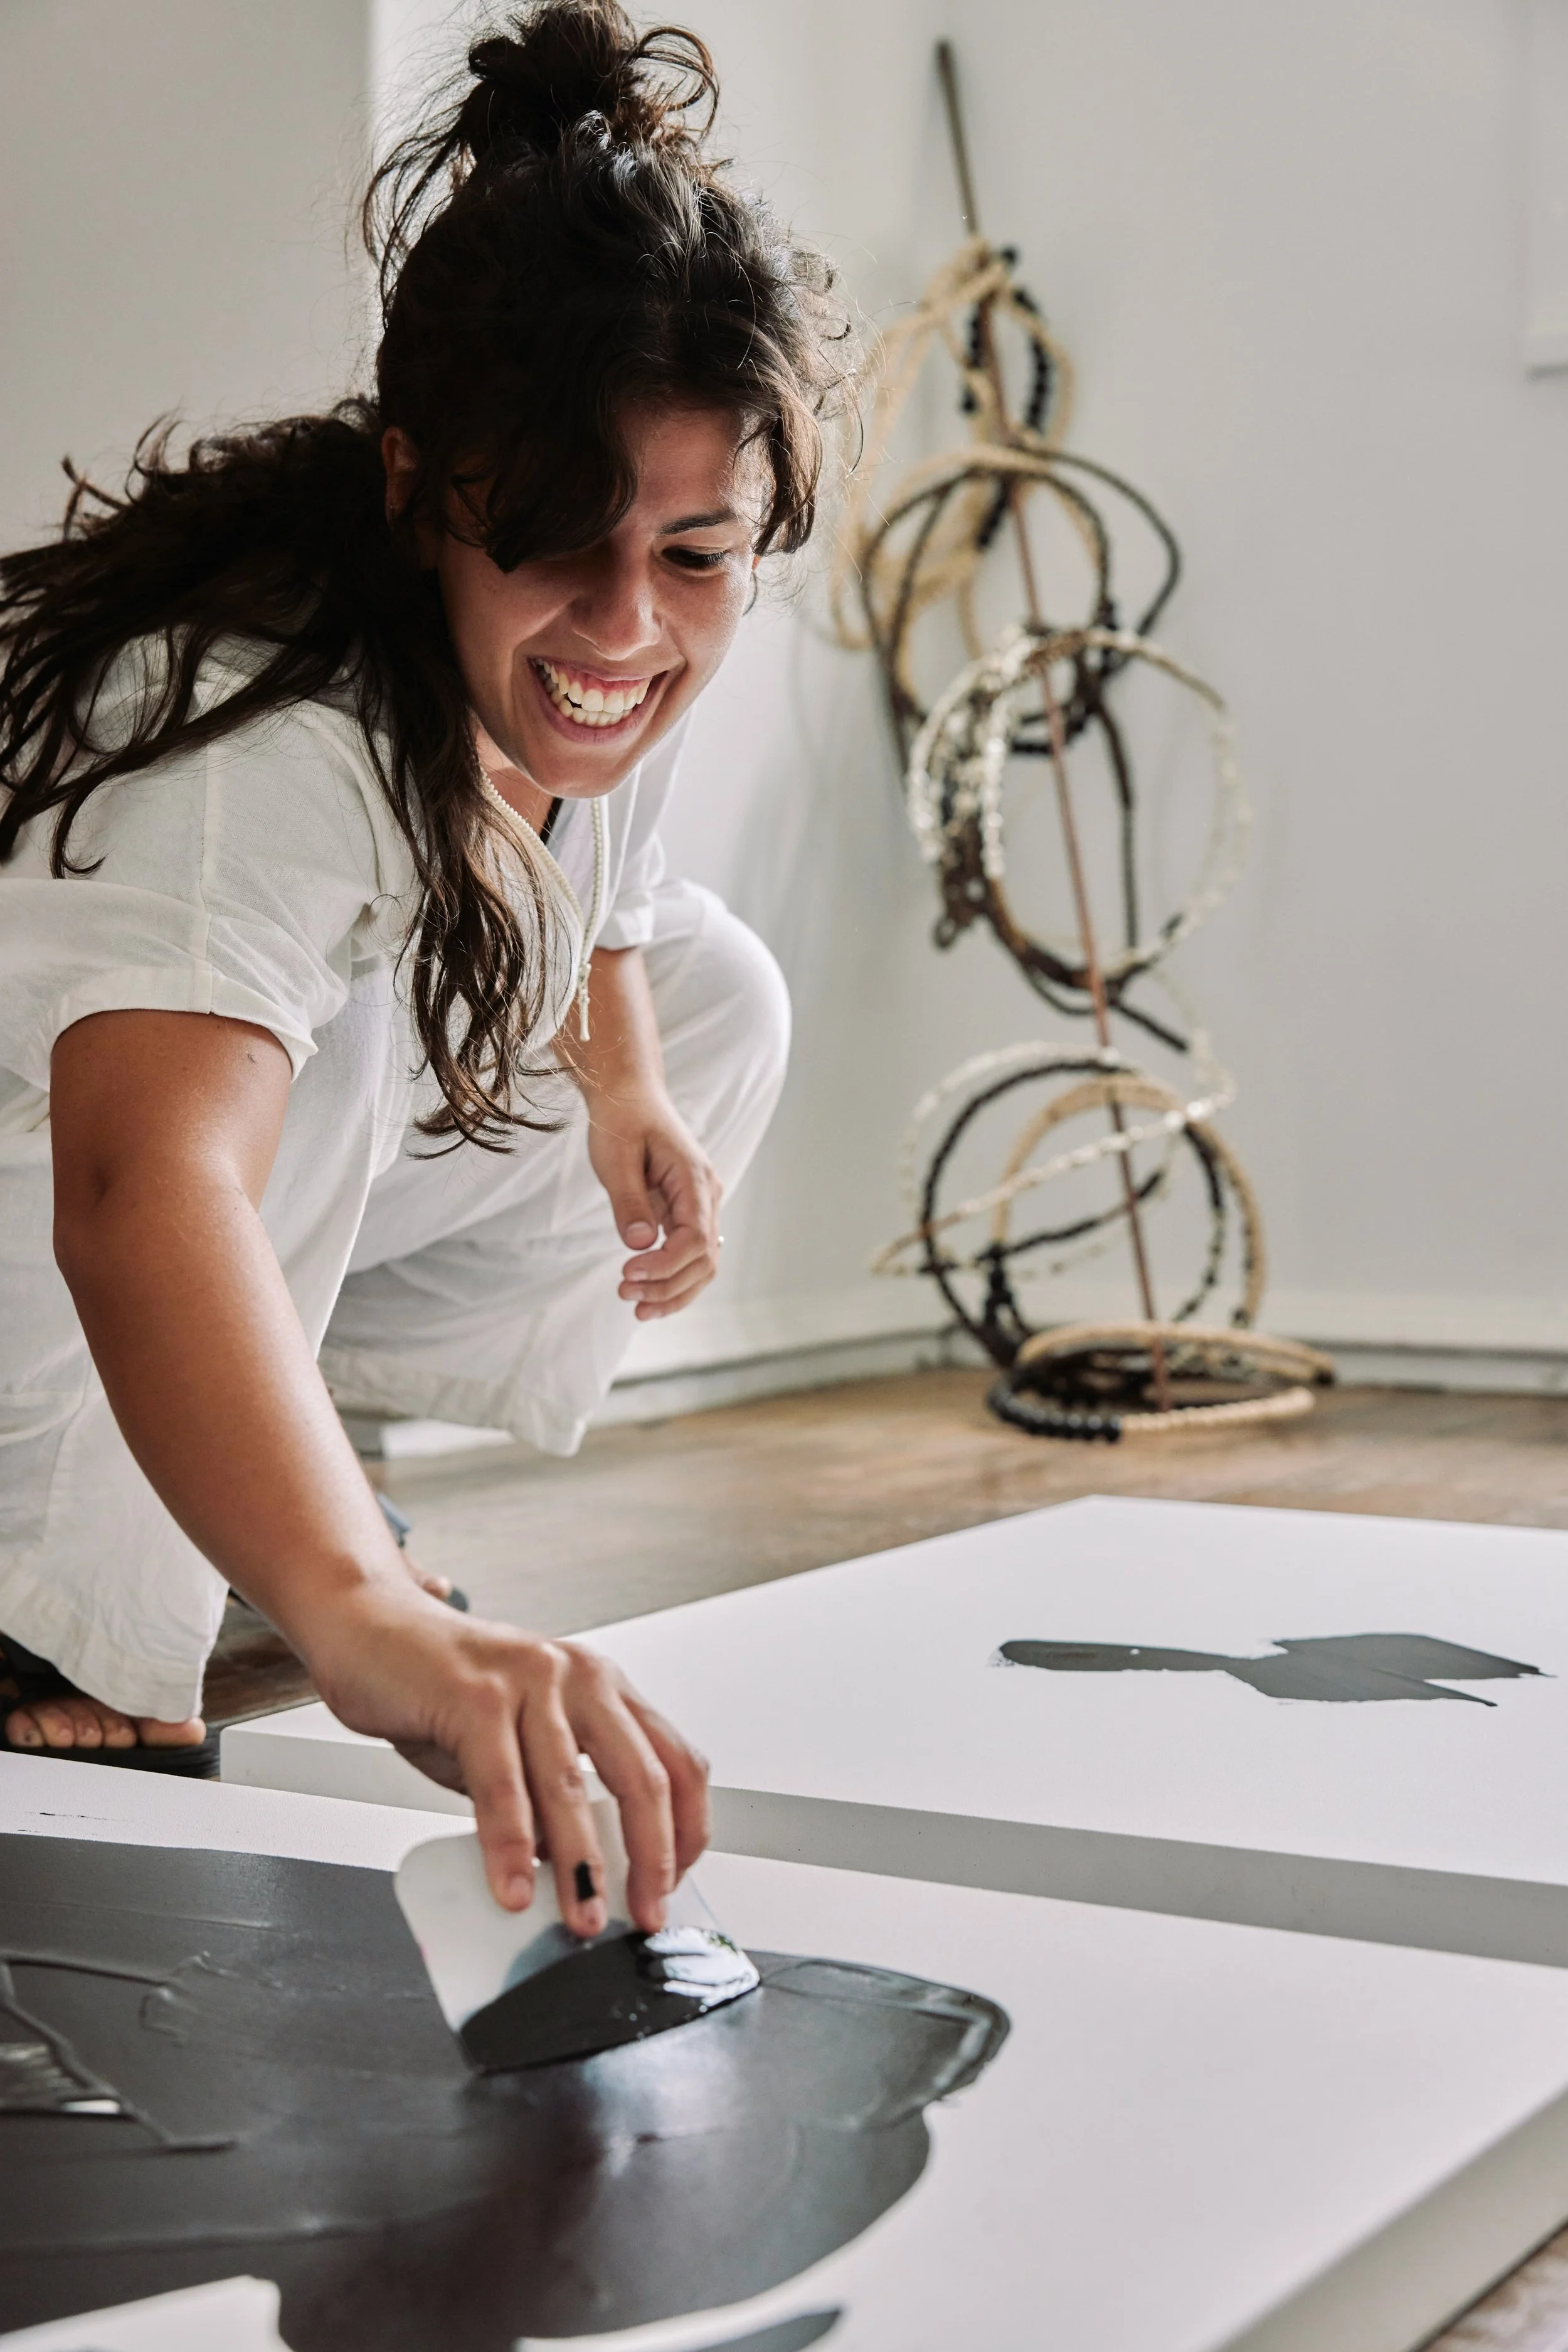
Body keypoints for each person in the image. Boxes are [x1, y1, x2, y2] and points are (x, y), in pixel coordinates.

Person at [0, 1, 844, 1937]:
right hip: (45, 1197)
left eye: (699, 553)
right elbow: (146, 1182)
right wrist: (365, 1618)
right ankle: (89, 1580)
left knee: (711, 994)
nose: (629, 622)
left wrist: (626, 1090)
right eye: (559, 536)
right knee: (276, 1091)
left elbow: (606, 902)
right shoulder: (255, 738)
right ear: (417, 488)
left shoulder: (608, 639)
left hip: (140, 1178)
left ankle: (248, 1495)